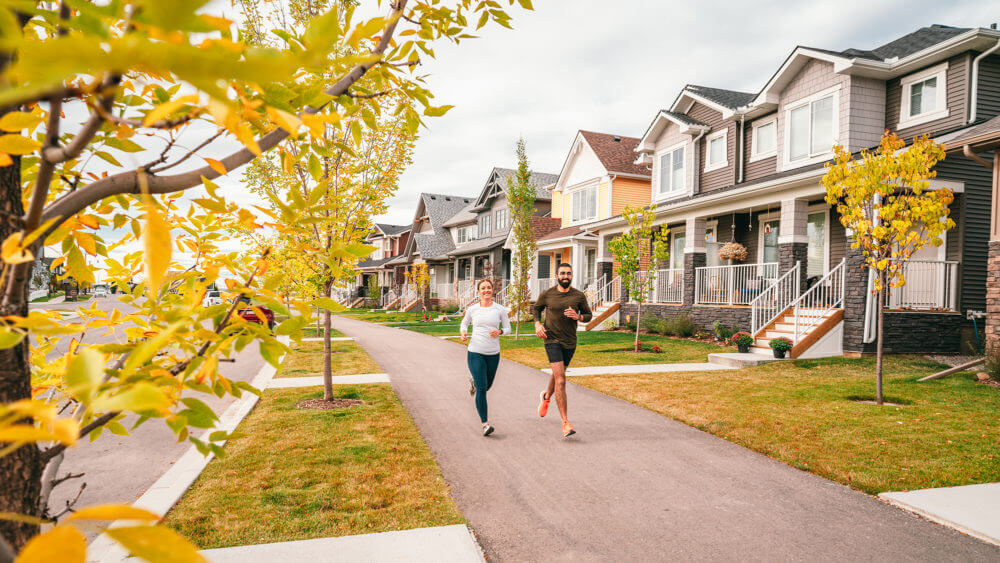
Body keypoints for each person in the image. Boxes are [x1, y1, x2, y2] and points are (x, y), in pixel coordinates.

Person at [533, 262, 592, 437]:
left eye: (568, 273)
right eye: (562, 273)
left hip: (570, 341)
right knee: (561, 380)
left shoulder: (578, 296)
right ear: (556, 275)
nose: (565, 276)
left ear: (572, 276)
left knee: (557, 375)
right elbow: (536, 309)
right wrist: (537, 324)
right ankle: (565, 423)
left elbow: (588, 315)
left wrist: (579, 316)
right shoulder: (547, 294)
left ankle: (546, 397)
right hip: (551, 339)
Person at [460, 278, 511, 436]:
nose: (486, 290)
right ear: (479, 291)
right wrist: (463, 332)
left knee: (486, 386)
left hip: (493, 354)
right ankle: (485, 424)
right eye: (483, 288)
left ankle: (475, 384)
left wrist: (500, 332)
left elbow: (508, 328)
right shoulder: (473, 309)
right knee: (482, 388)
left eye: (489, 288)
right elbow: (464, 323)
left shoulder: (500, 309)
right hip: (475, 351)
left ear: (492, 290)